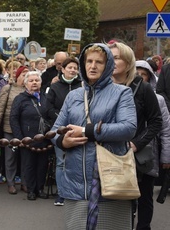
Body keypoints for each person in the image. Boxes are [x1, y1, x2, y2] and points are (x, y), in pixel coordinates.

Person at [51, 43, 137, 229]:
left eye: (99, 62)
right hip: (76, 183)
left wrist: (86, 131)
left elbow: (128, 128)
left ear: (108, 66)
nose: (93, 66)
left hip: (111, 181)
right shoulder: (74, 96)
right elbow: (55, 129)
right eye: (89, 61)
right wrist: (63, 141)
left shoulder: (122, 93)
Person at [109, 42, 162, 230]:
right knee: (114, 199)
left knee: (143, 197)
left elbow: (156, 121)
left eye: (116, 57)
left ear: (128, 61)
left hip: (138, 155)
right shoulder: (101, 86)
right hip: (109, 154)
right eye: (110, 56)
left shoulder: (143, 88)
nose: (111, 61)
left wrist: (136, 144)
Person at [43, 56, 82, 206]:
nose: (72, 70)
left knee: (77, 161)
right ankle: (61, 193)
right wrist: (61, 117)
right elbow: (48, 108)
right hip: (59, 129)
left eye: (75, 68)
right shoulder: (55, 87)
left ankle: (75, 192)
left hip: (78, 127)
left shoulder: (82, 86)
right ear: (63, 69)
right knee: (61, 162)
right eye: (69, 67)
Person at [10, 71, 50, 200]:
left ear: (41, 82)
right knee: (29, 165)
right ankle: (31, 190)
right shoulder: (20, 99)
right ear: (26, 83)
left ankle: (40, 188)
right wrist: (19, 138)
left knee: (42, 165)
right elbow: (13, 118)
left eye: (36, 80)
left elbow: (50, 114)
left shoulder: (45, 97)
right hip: (27, 139)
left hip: (44, 138)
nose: (34, 83)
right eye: (31, 80)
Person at [0, 66, 29, 195]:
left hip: (25, 130)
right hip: (9, 128)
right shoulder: (8, 88)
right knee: (10, 157)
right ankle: (11, 183)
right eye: (23, 74)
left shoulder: (30, 90)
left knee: (24, 157)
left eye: (27, 74)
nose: (25, 77)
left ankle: (25, 182)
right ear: (17, 75)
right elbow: (0, 109)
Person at [135, 60, 170, 181]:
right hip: (126, 152)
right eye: (136, 73)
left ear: (149, 77)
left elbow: (165, 129)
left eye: (143, 74)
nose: (139, 77)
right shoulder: (123, 95)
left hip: (149, 154)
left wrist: (166, 156)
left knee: (145, 195)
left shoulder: (158, 99)